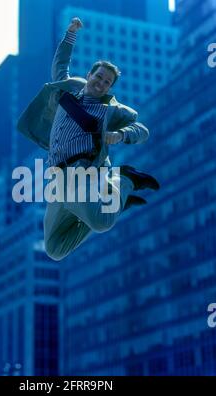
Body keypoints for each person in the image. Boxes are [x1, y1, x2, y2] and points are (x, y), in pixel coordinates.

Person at [17, 17, 159, 261]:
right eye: (99, 77)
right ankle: (106, 203)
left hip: (81, 174)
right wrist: (71, 33)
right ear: (89, 74)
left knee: (103, 221)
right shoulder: (69, 89)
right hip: (56, 179)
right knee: (54, 249)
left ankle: (124, 180)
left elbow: (142, 129)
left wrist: (121, 134)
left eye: (107, 82)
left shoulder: (109, 110)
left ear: (110, 87)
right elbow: (60, 64)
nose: (101, 83)